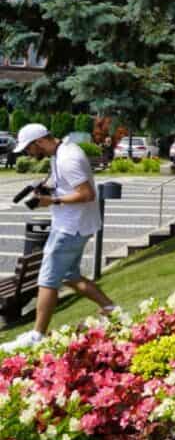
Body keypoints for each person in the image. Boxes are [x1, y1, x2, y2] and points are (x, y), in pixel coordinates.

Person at [1, 123, 118, 352]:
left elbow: (86, 194)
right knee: (69, 275)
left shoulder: (67, 159)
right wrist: (47, 190)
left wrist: (52, 201)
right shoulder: (62, 152)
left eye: (28, 149)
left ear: (39, 142)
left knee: (47, 279)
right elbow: (66, 185)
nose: (28, 153)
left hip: (70, 228)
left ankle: (37, 335)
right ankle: (111, 309)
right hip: (72, 225)